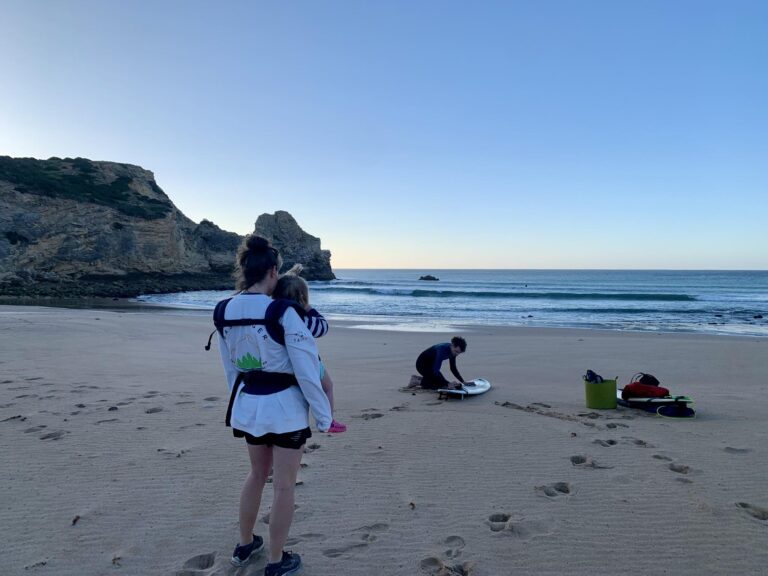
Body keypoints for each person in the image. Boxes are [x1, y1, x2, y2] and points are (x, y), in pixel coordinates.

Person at [215, 235, 332, 576]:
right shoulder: (282, 310)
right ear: (272, 271)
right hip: (285, 412)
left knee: (255, 475)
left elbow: (230, 369)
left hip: (249, 407)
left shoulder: (223, 309)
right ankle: (277, 561)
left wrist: (239, 404)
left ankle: (245, 543)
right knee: (283, 485)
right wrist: (324, 416)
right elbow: (307, 370)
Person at [272, 272, 347, 433]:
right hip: (306, 363)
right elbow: (322, 327)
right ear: (302, 297)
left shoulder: (272, 314)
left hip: (280, 363)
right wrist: (307, 307)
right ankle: (328, 419)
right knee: (327, 387)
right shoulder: (299, 319)